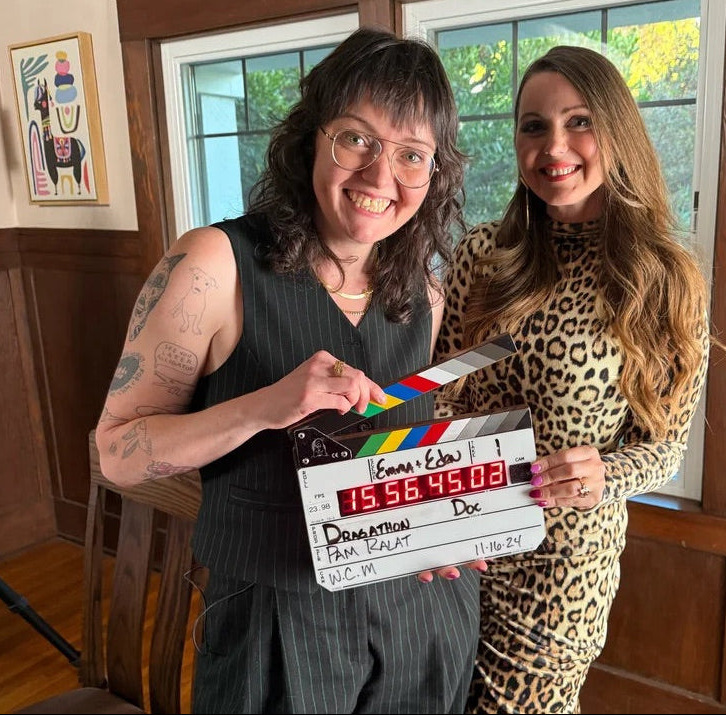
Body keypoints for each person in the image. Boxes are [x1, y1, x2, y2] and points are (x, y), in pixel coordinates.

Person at [95, 27, 483, 714]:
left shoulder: (425, 289)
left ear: (436, 171)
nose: (379, 177)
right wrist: (261, 406)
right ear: (312, 136)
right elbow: (117, 453)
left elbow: (394, 462)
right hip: (273, 619)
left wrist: (437, 520)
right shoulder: (211, 264)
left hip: (421, 609)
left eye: (412, 155)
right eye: (357, 138)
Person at [434, 45, 712, 714]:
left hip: (557, 568)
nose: (554, 145)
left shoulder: (663, 278)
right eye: (533, 125)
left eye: (578, 120)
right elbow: (440, 390)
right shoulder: (483, 254)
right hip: (454, 537)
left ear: (616, 129)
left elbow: (666, 444)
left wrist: (604, 475)